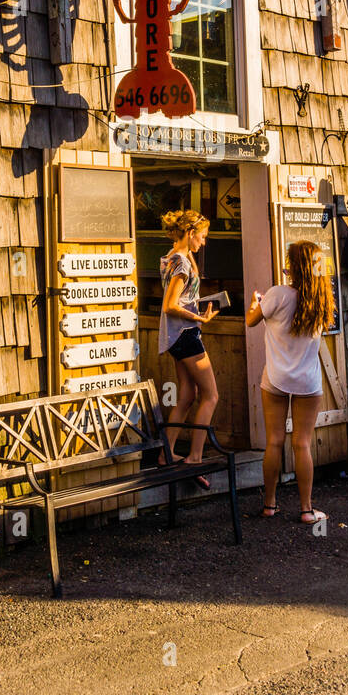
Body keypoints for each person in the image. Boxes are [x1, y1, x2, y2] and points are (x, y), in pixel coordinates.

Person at [246, 241, 336, 524]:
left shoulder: (277, 294)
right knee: (303, 444)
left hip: (275, 378)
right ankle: (307, 510)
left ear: (293, 266)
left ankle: (270, 505)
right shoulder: (322, 298)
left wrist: (254, 303)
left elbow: (251, 321)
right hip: (308, 381)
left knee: (274, 441)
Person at [158, 208, 218, 488]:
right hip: (185, 333)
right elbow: (171, 305)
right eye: (202, 237)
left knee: (186, 396)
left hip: (174, 336)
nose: (203, 243)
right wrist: (200, 317)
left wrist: (188, 246)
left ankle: (166, 452)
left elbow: (182, 291)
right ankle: (195, 457)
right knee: (211, 395)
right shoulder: (181, 264)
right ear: (191, 233)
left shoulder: (172, 257)